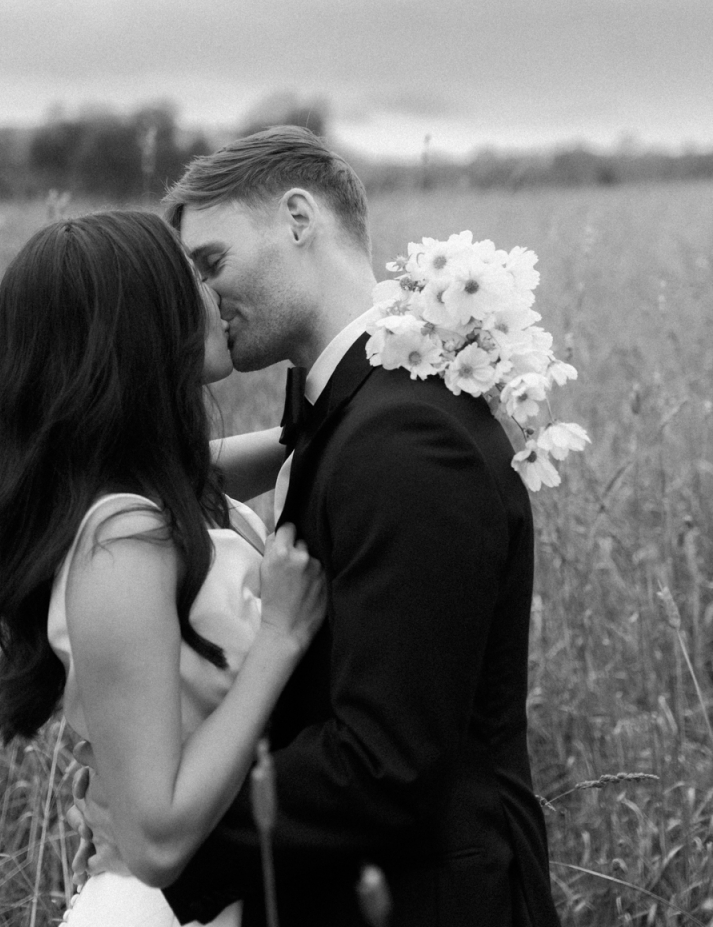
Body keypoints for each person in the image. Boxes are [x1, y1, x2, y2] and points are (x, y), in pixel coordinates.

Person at [77, 126, 561, 925]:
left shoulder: (408, 440)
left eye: (212, 262)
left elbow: (386, 761)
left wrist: (163, 835)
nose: (202, 299)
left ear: (299, 219)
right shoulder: (345, 412)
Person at [0, 209, 326, 927]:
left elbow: (298, 442)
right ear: (143, 325)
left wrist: (391, 369)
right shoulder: (122, 543)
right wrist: (279, 636)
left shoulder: (158, 489)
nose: (214, 292)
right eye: (192, 279)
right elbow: (155, 841)